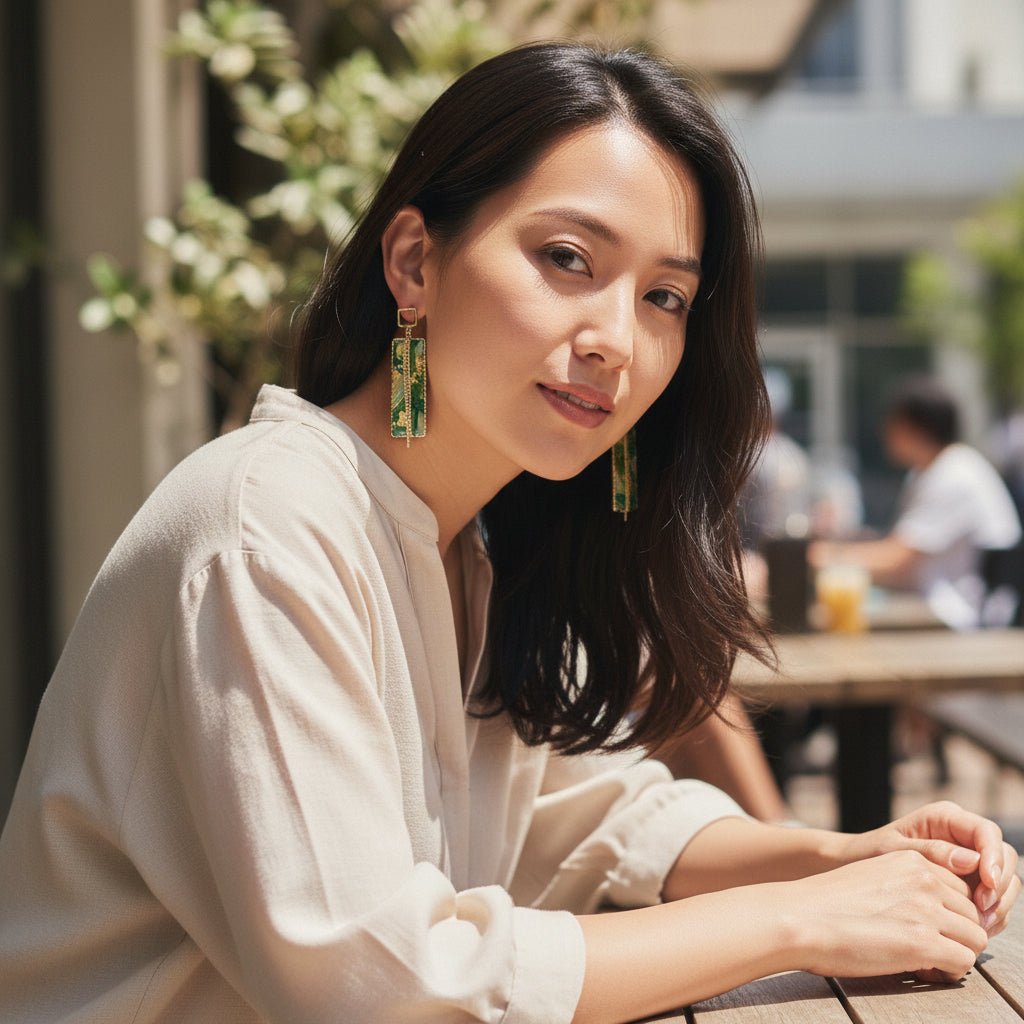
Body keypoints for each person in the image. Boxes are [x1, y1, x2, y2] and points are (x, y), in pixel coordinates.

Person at [0, 43, 1018, 1024]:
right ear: (413, 262)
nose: (616, 340)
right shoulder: (263, 526)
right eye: (566, 258)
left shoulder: (462, 547)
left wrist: (832, 858)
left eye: (663, 296)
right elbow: (377, 980)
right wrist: (797, 920)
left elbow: (566, 817)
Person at [811, 376, 1022, 628]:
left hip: (963, 623)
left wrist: (820, 556)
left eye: (892, 423)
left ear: (918, 429)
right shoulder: (929, 470)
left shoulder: (955, 473)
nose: (884, 432)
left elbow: (897, 559)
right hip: (937, 612)